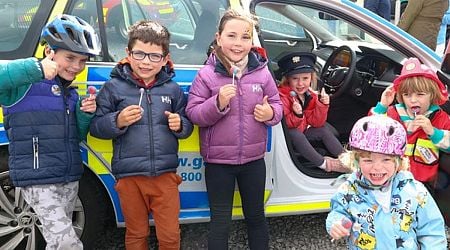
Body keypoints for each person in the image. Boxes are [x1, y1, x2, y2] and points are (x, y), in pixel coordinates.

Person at [90, 20, 193, 250]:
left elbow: (188, 125)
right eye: (140, 54)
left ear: (165, 58)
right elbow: (96, 127)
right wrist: (117, 121)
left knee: (169, 235)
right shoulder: (113, 87)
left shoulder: (172, 89)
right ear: (128, 53)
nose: (146, 62)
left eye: (154, 56)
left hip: (165, 176)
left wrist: (179, 125)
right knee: (136, 234)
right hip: (129, 178)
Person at [185, 8, 283, 250]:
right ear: (218, 38)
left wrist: (270, 114)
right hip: (218, 164)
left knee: (256, 217)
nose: (238, 43)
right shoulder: (207, 75)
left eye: (245, 36)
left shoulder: (262, 73)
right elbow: (194, 114)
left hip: (253, 161)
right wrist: (216, 103)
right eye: (231, 36)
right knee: (220, 221)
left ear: (252, 40)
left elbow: (278, 105)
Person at [0, 14, 100, 249]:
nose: (76, 66)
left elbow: (76, 138)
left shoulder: (70, 93)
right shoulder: (22, 86)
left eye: (82, 61)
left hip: (68, 178)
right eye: (70, 57)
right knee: (68, 244)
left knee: (55, 242)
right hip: (38, 180)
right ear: (49, 52)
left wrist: (84, 115)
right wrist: (35, 68)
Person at [326, 115, 447, 249]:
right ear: (356, 161)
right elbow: (338, 212)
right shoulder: (348, 190)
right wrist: (335, 223)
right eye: (368, 160)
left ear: (399, 161)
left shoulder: (415, 191)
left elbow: (432, 230)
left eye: (386, 160)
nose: (377, 167)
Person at [370, 57, 450, 183]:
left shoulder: (440, 117)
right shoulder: (392, 113)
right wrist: (382, 106)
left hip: (423, 184)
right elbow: (369, 132)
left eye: (420, 94)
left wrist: (433, 132)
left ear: (433, 95)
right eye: (407, 95)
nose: (412, 100)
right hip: (391, 179)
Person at [277, 52, 349, 173]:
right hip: (288, 139)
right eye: (295, 79)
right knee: (295, 134)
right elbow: (286, 126)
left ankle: (348, 160)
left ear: (311, 78)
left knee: (322, 130)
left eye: (305, 78)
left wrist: (322, 104)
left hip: (303, 131)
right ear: (288, 80)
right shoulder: (282, 96)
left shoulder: (309, 95)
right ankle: (325, 164)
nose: (300, 84)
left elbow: (316, 122)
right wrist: (297, 114)